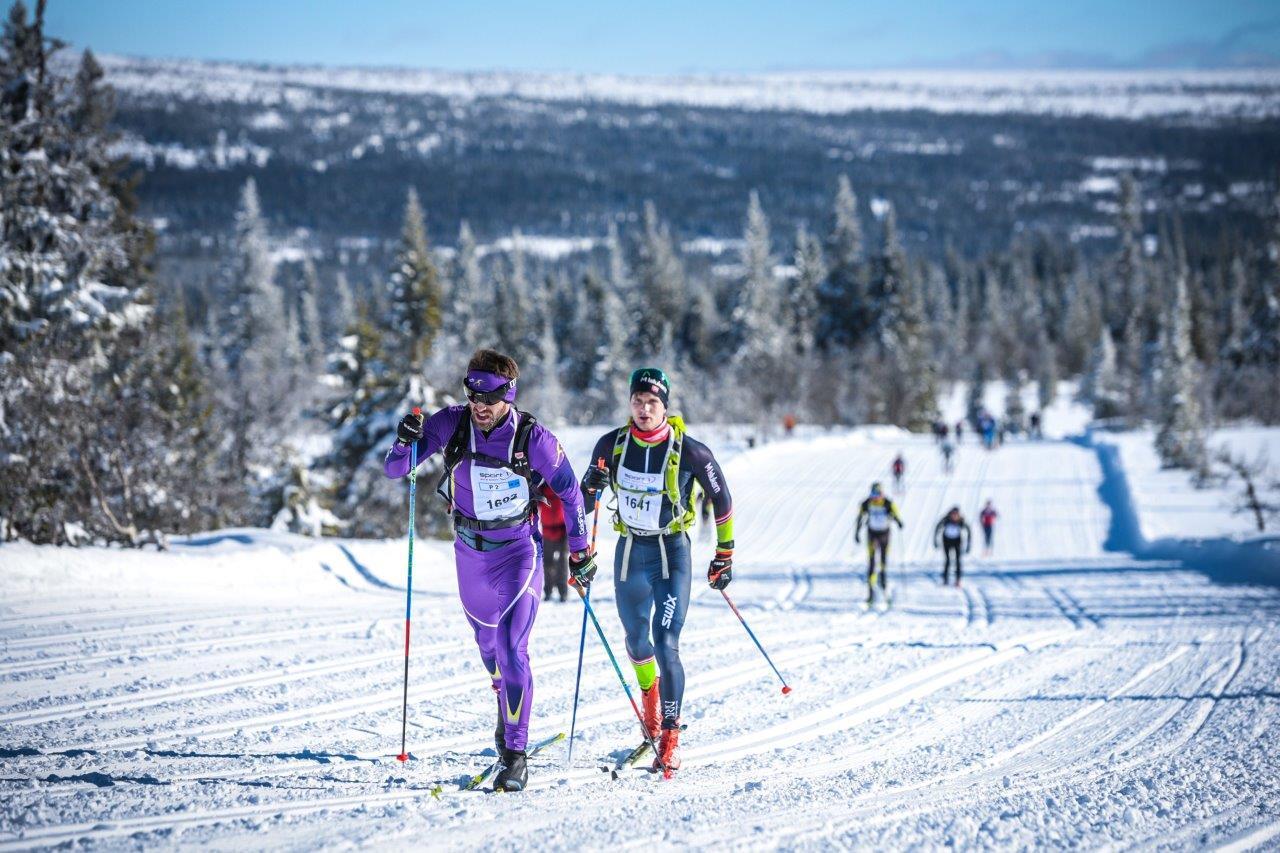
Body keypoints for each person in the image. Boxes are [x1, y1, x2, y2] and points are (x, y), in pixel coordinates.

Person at [383, 349, 590, 792]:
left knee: (512, 647)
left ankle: (515, 754)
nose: (480, 405)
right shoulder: (452, 423)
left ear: (509, 396)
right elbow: (396, 469)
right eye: (473, 393)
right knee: (491, 654)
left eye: (490, 398)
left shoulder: (533, 439)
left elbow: (571, 493)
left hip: (518, 552)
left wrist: (579, 551)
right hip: (469, 556)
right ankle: (506, 710)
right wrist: (405, 440)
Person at [580, 368, 734, 777]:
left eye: (652, 403)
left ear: (665, 406)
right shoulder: (610, 445)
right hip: (630, 550)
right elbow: (584, 499)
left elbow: (722, 500)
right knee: (635, 639)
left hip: (671, 554)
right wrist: (590, 486)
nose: (644, 410)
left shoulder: (691, 451)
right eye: (637, 402)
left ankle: (669, 738)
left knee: (667, 642)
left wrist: (724, 554)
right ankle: (649, 703)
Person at [853, 482, 904, 606]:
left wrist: (898, 521)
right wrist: (857, 532)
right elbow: (859, 518)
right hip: (872, 534)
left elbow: (896, 513)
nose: (876, 497)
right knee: (871, 563)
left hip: (885, 534)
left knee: (883, 562)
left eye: (879, 494)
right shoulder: (866, 504)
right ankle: (870, 593)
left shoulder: (887, 503)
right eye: (874, 494)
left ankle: (884, 585)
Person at [539, 484, 569, 602]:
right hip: (547, 530)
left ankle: (562, 592)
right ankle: (550, 591)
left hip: (562, 529)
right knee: (549, 563)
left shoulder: (560, 486)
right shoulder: (541, 487)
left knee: (561, 562)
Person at [933, 506, 972, 587]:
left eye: (956, 514)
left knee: (958, 560)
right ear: (950, 514)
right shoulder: (946, 519)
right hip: (946, 540)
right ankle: (945, 579)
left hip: (957, 541)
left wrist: (968, 544)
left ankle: (958, 580)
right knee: (947, 560)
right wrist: (935, 541)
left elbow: (968, 530)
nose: (954, 516)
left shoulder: (961, 520)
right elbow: (937, 527)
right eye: (953, 514)